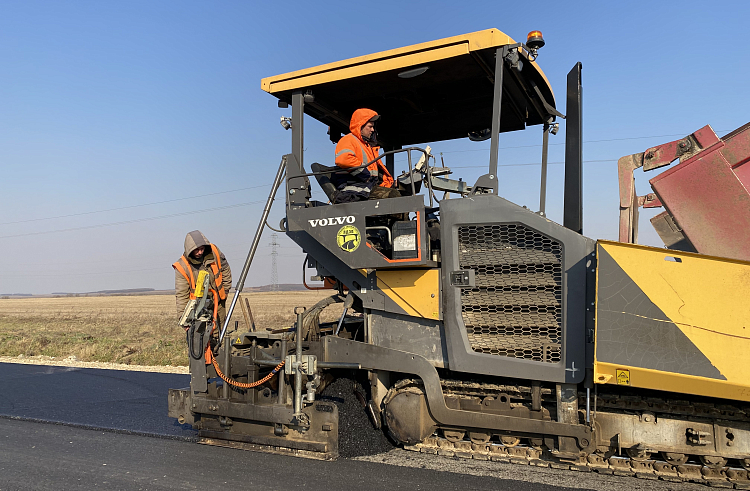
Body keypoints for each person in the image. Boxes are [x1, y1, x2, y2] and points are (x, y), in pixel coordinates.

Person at [332, 108, 401, 203]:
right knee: (394, 196)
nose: (373, 130)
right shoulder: (348, 139)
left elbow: (375, 175)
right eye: (370, 126)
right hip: (355, 189)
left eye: (373, 127)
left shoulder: (368, 147)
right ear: (360, 126)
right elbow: (343, 159)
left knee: (400, 194)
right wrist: (365, 174)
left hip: (367, 187)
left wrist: (392, 184)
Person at [173, 230, 232, 333]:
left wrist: (226, 290)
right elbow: (182, 294)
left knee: (220, 333)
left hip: (218, 301)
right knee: (199, 338)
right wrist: (183, 319)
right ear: (189, 249)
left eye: (202, 248)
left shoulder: (214, 251)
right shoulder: (181, 267)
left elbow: (225, 268)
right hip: (197, 307)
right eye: (196, 250)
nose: (200, 252)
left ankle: (218, 348)